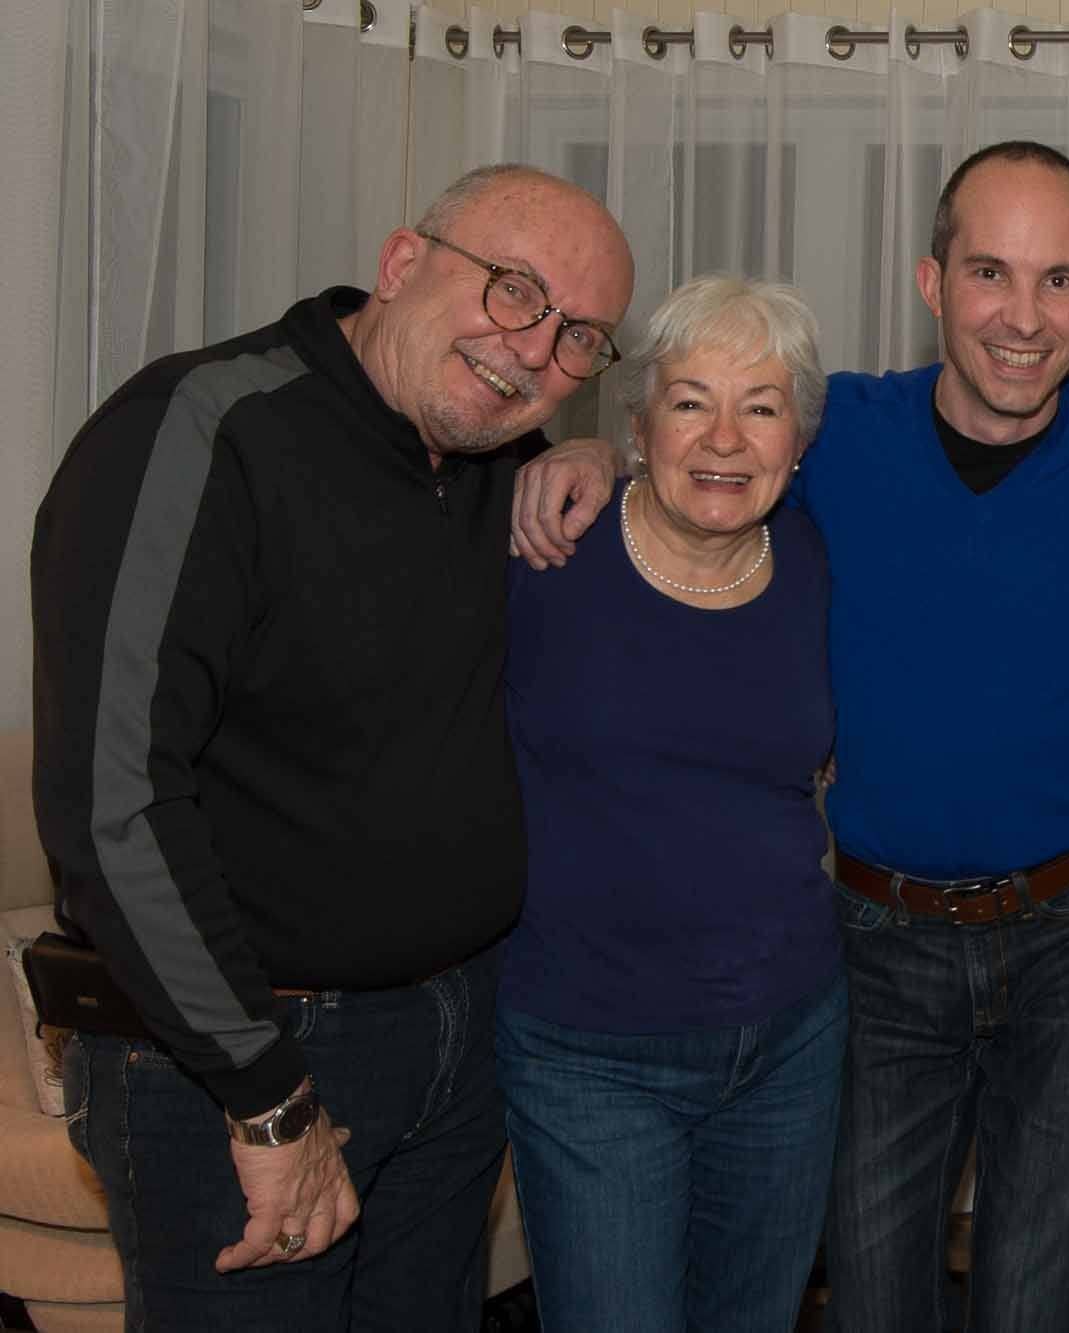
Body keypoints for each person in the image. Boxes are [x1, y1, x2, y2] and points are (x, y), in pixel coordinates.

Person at [513, 141, 1069, 1331]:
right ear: (929, 283)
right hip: (877, 941)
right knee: (868, 1294)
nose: (1022, 316)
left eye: (1058, 279)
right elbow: (712, 454)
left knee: (1035, 1295)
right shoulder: (837, 436)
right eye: (989, 272)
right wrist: (595, 451)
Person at [30, 163, 633, 1331]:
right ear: (402, 264)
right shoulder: (197, 430)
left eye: (579, 337)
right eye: (514, 290)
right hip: (245, 1062)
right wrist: (266, 1095)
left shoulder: (491, 458)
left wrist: (612, 458)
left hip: (457, 1041)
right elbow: (114, 802)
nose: (532, 351)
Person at [495, 275, 842, 1331]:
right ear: (638, 427)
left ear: (798, 441)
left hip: (789, 1042)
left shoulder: (817, 558)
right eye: (690, 401)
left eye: (761, 406)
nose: (724, 438)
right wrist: (576, 456)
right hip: (587, 1051)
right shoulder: (545, 551)